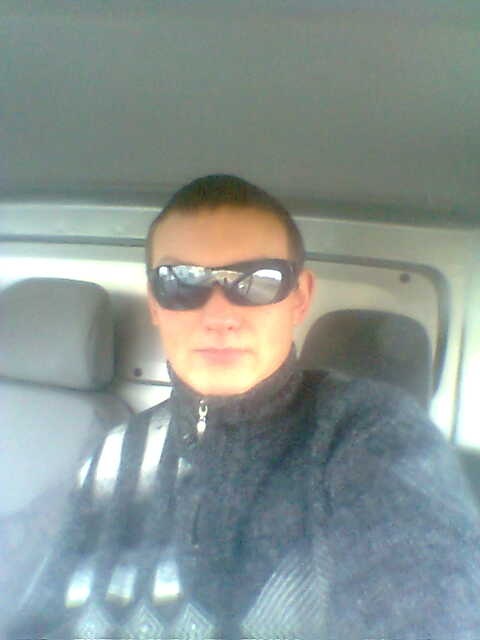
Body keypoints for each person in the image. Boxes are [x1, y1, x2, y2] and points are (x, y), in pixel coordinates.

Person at [9, 175, 480, 639]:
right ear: (155, 302)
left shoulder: (369, 435)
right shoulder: (111, 456)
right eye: (181, 282)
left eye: (258, 282)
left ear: (299, 298)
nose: (219, 317)